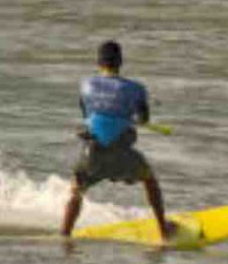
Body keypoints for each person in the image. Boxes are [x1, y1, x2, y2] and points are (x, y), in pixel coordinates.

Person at [62, 40, 169, 243]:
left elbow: (87, 115)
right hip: (122, 154)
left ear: (98, 62)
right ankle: (164, 233)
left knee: (76, 191)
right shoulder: (136, 89)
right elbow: (143, 120)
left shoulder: (86, 85)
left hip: (92, 153)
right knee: (150, 181)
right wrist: (134, 117)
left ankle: (64, 235)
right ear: (120, 62)